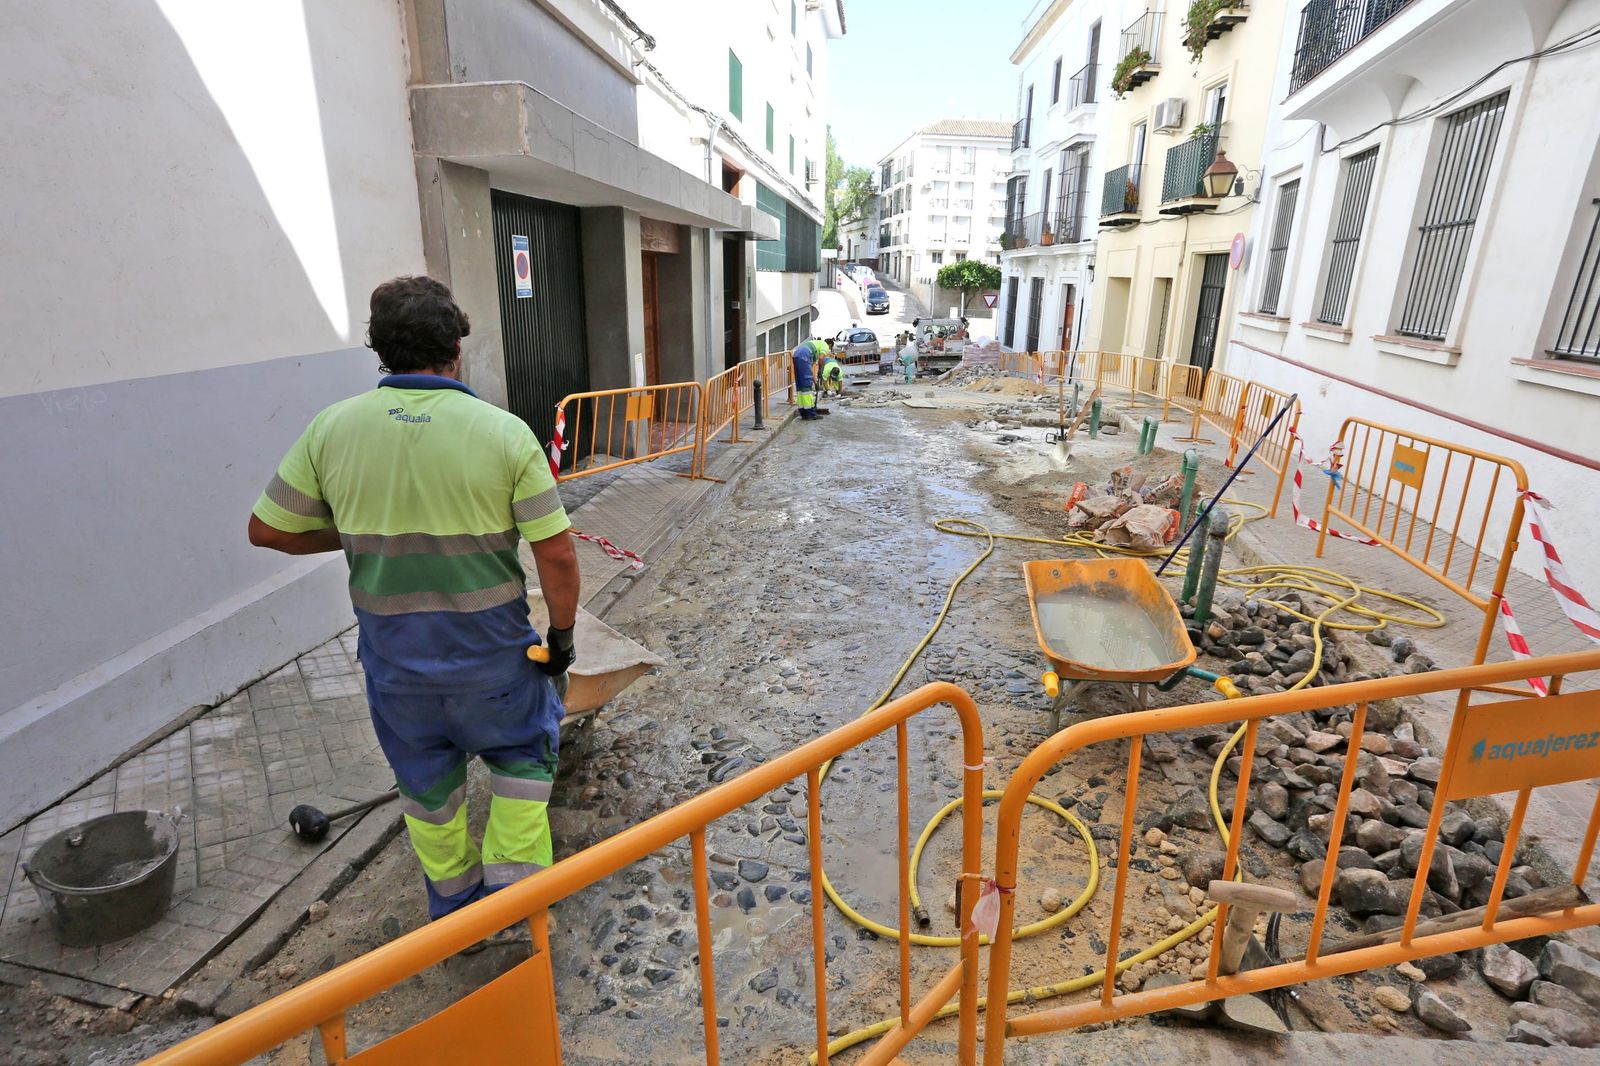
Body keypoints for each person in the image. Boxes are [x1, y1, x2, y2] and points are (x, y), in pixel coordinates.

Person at [248, 275, 580, 922]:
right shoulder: (505, 433)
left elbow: (268, 530)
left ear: (381, 352)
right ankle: (514, 914)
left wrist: (354, 533)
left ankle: (455, 918)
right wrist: (561, 641)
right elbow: (559, 556)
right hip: (496, 666)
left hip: (397, 670)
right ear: (456, 349)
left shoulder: (331, 430)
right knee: (521, 768)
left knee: (430, 799)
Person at [793, 337, 828, 420]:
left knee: (800, 386)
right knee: (806, 387)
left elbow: (810, 369)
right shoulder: (825, 345)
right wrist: (820, 370)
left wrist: (815, 382)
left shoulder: (814, 344)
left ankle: (803, 413)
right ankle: (810, 414)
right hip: (804, 355)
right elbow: (821, 358)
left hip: (796, 355)